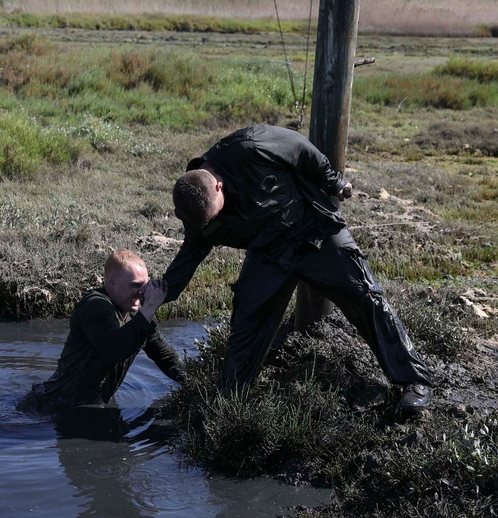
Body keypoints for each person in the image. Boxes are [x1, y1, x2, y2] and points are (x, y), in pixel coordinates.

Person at [163, 124, 433, 415]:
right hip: (269, 255)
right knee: (247, 321)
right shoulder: (194, 205)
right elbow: (191, 252)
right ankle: (229, 402)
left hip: (314, 233)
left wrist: (333, 181)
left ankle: (413, 381)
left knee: (366, 296)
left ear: (218, 185)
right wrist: (162, 292)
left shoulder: (249, 147)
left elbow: (299, 147)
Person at [28, 249, 185, 414]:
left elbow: (166, 357)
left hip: (92, 405)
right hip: (54, 407)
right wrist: (150, 308)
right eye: (135, 285)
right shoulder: (94, 305)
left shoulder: (139, 314)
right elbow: (113, 350)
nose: (142, 293)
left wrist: (196, 383)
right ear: (111, 281)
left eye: (144, 285)